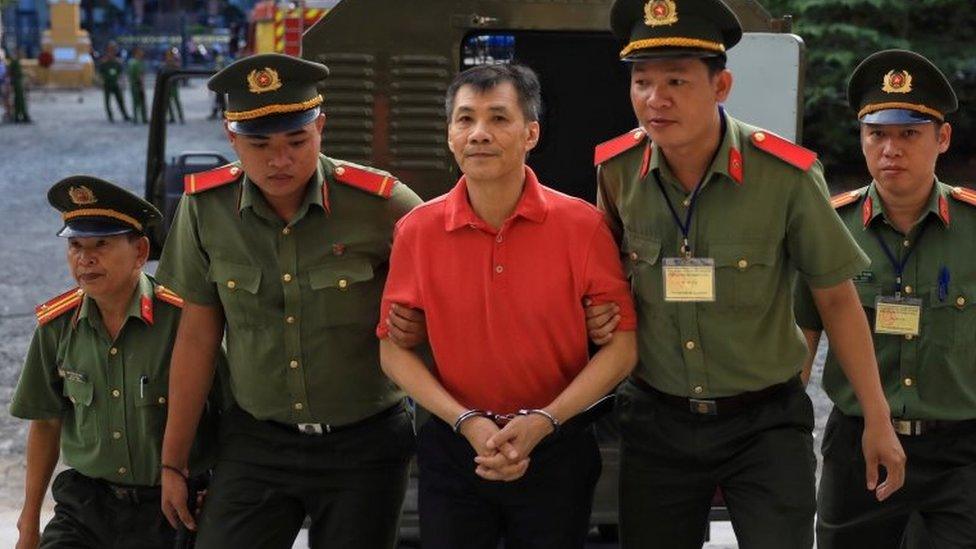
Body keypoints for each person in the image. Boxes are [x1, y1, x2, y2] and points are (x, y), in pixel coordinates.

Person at [585, 0, 907, 547]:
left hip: (764, 422)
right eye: (641, 81)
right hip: (656, 419)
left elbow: (837, 300)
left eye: (676, 81)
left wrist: (878, 418)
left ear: (721, 86)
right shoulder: (616, 171)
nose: (654, 99)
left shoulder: (785, 175)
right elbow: (607, 279)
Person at [155, 53, 425, 549]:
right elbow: (195, 338)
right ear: (231, 138)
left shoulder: (384, 205)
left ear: (320, 127)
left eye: (297, 141)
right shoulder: (205, 209)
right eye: (259, 144)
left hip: (365, 444)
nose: (280, 160)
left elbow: (446, 301)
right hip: (257, 440)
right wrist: (174, 460)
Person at [378, 63, 639, 549]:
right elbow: (393, 351)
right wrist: (465, 421)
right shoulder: (417, 230)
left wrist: (545, 421)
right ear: (450, 134)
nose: (479, 134)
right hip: (454, 446)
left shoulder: (581, 226)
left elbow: (622, 347)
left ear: (531, 133)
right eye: (465, 119)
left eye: (499, 118)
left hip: (558, 445)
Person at [795, 49, 976, 549]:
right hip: (858, 446)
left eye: (908, 134)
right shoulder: (830, 227)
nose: (890, 148)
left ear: (942, 139)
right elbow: (800, 347)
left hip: (959, 454)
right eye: (877, 133)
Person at [9, 176, 219, 549]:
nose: (84, 259)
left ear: (139, 252)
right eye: (75, 245)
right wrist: (29, 522)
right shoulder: (57, 328)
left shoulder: (184, 323)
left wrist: (220, 493)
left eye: (101, 245)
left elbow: (230, 416)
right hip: (87, 504)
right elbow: (45, 423)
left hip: (171, 504)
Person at [98, 42, 130, 123]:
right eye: (111, 48)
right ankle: (110, 116)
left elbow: (121, 73)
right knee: (107, 101)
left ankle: (125, 115)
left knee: (120, 100)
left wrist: (123, 82)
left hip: (116, 84)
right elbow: (100, 73)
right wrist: (101, 81)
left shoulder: (117, 62)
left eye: (114, 49)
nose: (113, 50)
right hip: (107, 83)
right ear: (107, 49)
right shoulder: (104, 62)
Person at [127, 46, 147, 124]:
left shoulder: (131, 62)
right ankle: (143, 118)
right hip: (138, 85)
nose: (142, 54)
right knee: (141, 102)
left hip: (133, 85)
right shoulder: (138, 63)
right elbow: (140, 76)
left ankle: (136, 118)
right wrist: (142, 86)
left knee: (135, 103)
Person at [10, 47, 30, 124]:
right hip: (17, 83)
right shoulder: (14, 61)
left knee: (19, 101)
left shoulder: (16, 61)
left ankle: (18, 116)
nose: (22, 54)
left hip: (18, 82)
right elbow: (11, 73)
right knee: (20, 101)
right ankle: (22, 116)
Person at [163, 48, 184, 124]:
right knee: (168, 102)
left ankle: (181, 117)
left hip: (173, 85)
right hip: (168, 85)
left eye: (169, 55)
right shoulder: (166, 64)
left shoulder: (174, 64)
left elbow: (178, 71)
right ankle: (172, 117)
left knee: (176, 101)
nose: (168, 56)